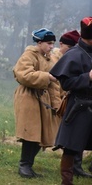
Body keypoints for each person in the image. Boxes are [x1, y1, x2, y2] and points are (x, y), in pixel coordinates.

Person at [12, 28, 61, 178]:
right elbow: (23, 75)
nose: (51, 46)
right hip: (29, 98)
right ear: (39, 43)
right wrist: (47, 77)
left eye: (53, 43)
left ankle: (29, 165)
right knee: (31, 134)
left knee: (40, 135)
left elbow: (55, 82)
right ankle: (24, 166)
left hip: (44, 100)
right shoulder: (29, 55)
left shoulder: (51, 58)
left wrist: (57, 103)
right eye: (48, 43)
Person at [50, 17, 92, 184]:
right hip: (79, 107)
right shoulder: (74, 54)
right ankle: (66, 182)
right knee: (70, 147)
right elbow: (66, 83)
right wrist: (87, 77)